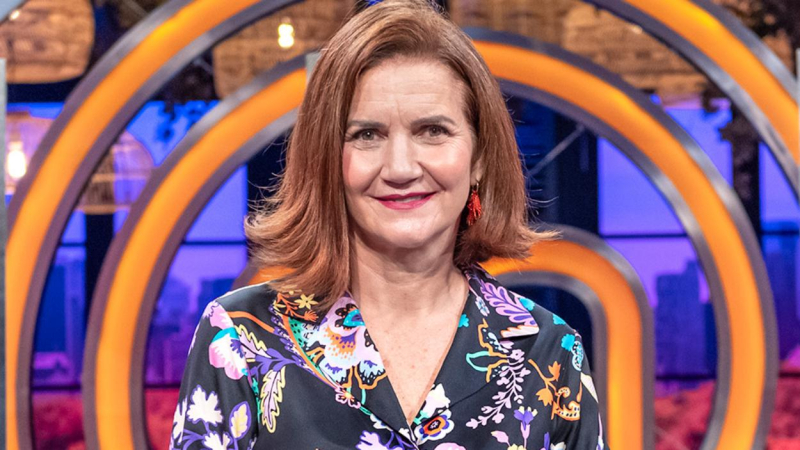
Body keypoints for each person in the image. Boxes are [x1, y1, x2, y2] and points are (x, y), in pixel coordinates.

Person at [169, 0, 608, 448]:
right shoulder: (241, 339)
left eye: (433, 131)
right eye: (367, 135)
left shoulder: (548, 353)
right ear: (327, 159)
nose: (400, 168)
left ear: (478, 157)